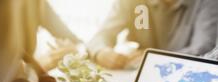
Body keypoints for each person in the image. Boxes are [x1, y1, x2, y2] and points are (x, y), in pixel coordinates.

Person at [88, 0, 218, 69]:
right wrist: (101, 52)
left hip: (181, 78)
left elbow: (203, 50)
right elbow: (101, 35)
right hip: (136, 77)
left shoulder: (207, 3)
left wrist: (151, 58)